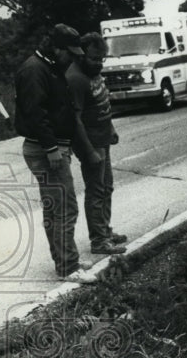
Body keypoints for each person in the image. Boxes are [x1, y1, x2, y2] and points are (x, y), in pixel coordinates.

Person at [15, 23, 96, 283]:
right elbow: (36, 114)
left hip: (51, 146)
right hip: (45, 149)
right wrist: (51, 148)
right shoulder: (35, 69)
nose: (72, 58)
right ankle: (68, 266)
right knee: (65, 207)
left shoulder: (50, 66)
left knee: (55, 208)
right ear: (56, 47)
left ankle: (64, 259)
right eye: (69, 53)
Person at [67, 32, 126, 255]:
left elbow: (102, 103)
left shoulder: (94, 73)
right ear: (81, 55)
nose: (99, 63)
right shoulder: (76, 78)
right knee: (96, 190)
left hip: (103, 139)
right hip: (91, 143)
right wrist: (89, 150)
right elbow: (75, 119)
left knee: (107, 187)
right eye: (94, 58)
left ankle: (105, 231)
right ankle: (99, 241)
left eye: (102, 58)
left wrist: (111, 128)